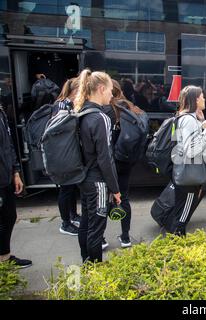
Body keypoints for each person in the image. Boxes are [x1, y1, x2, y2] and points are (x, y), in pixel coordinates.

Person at [74, 69, 121, 263]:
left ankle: (86, 262)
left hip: (85, 179)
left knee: (86, 223)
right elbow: (106, 158)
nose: (112, 95)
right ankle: (95, 270)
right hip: (98, 183)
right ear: (101, 89)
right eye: (110, 90)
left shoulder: (82, 112)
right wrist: (115, 189)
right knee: (96, 228)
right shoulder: (101, 118)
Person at [103, 79, 146, 248]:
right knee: (124, 197)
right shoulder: (130, 107)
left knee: (105, 198)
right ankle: (126, 237)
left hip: (110, 160)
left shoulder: (107, 109)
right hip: (126, 160)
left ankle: (100, 238)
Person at [169, 85, 206, 235]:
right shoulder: (188, 120)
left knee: (180, 213)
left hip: (185, 174)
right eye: (202, 96)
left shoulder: (185, 117)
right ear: (195, 99)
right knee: (182, 218)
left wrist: (201, 122)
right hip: (189, 178)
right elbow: (191, 150)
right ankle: (178, 248)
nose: (204, 99)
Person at [0, 103, 32, 268]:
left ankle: (4, 257)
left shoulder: (1, 112)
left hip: (6, 176)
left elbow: (8, 145)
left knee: (9, 216)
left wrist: (16, 172)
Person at [52, 77, 82, 236]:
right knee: (65, 188)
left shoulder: (67, 104)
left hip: (68, 151)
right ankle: (65, 223)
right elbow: (60, 130)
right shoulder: (62, 105)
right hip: (63, 152)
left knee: (70, 186)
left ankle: (73, 215)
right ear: (75, 90)